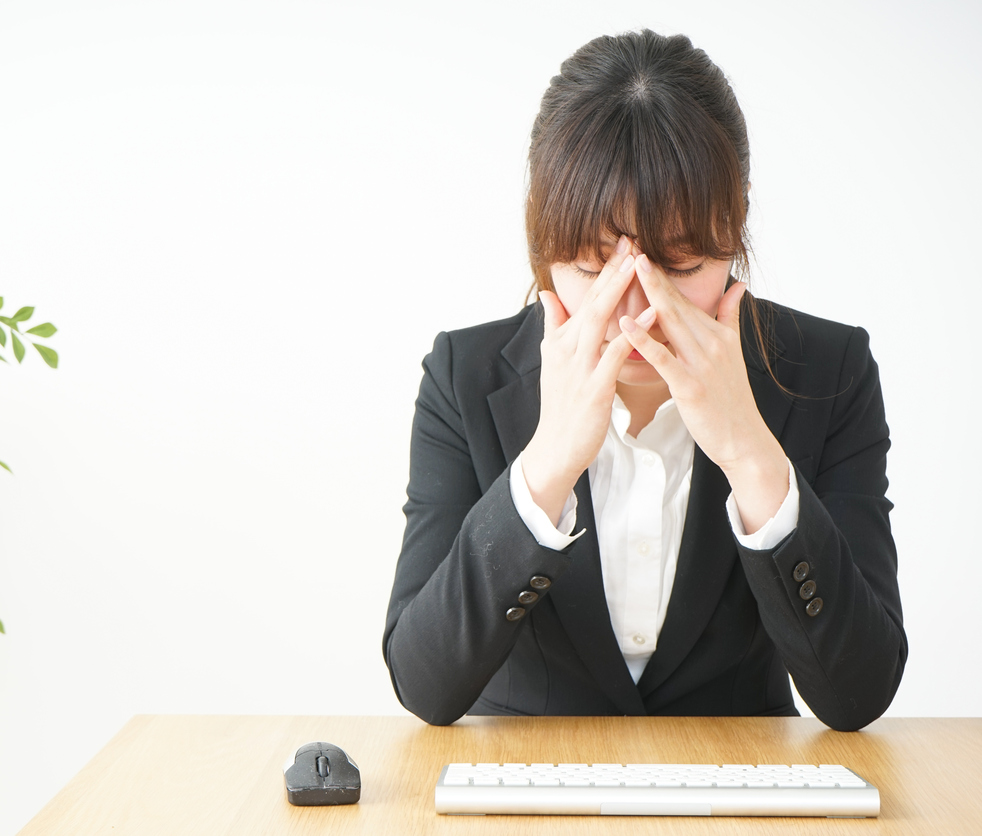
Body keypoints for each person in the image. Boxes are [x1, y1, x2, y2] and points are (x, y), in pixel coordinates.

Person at [381, 29, 906, 733]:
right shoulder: (464, 377)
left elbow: (860, 695)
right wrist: (546, 467)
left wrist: (752, 455)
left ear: (735, 225)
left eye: (680, 267)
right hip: (522, 790)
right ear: (544, 241)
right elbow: (422, 683)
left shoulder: (829, 371)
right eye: (596, 272)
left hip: (742, 786)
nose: (635, 312)